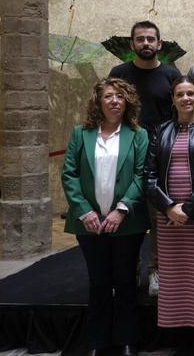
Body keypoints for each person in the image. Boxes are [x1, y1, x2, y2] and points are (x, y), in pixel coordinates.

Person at [61, 78, 149, 356]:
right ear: (98, 101)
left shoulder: (138, 135)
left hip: (126, 222)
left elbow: (141, 175)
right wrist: (84, 210)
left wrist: (121, 209)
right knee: (98, 281)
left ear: (128, 102)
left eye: (120, 97)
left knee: (124, 280)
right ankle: (98, 341)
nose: (114, 101)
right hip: (89, 222)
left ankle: (126, 339)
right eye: (109, 96)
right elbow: (69, 173)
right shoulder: (81, 133)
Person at [144, 76, 194, 352]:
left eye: (190, 94)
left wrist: (188, 209)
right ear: (173, 100)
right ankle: (176, 339)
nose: (186, 98)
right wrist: (169, 208)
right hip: (168, 217)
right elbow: (149, 176)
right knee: (173, 277)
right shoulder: (160, 131)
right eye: (180, 94)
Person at [109, 20, 180, 296]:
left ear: (159, 44)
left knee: (158, 219)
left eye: (151, 39)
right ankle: (129, 272)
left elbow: (177, 116)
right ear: (132, 44)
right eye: (140, 39)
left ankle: (156, 272)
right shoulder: (119, 73)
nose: (146, 44)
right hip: (126, 154)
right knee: (126, 216)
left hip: (160, 157)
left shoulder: (172, 75)